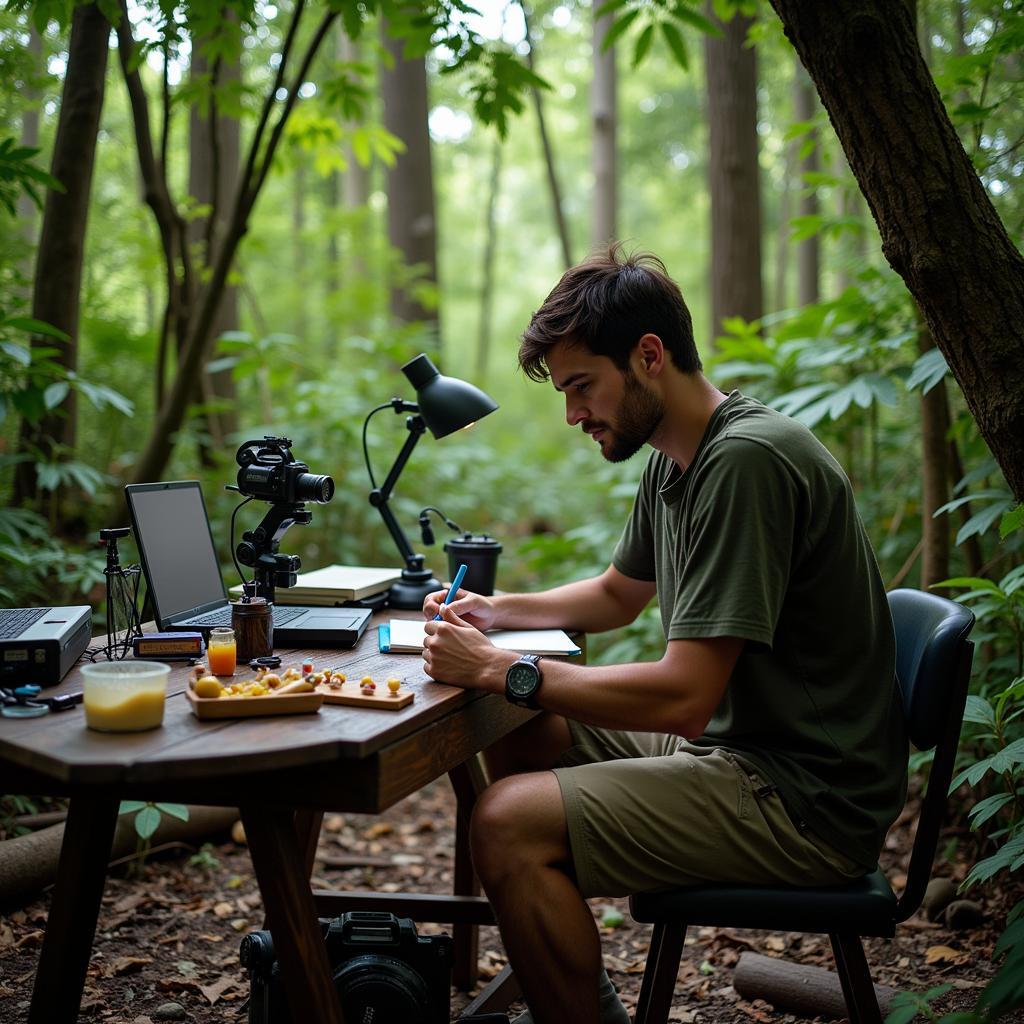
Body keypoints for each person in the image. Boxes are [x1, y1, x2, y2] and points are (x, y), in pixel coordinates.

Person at [421, 244, 907, 1024]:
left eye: (583, 386)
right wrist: (499, 611)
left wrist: (500, 669)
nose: (576, 415)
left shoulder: (746, 462)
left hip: (803, 797)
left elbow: (684, 696)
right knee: (524, 729)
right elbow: (618, 594)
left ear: (649, 356)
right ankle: (581, 999)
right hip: (735, 748)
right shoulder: (676, 456)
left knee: (506, 821)